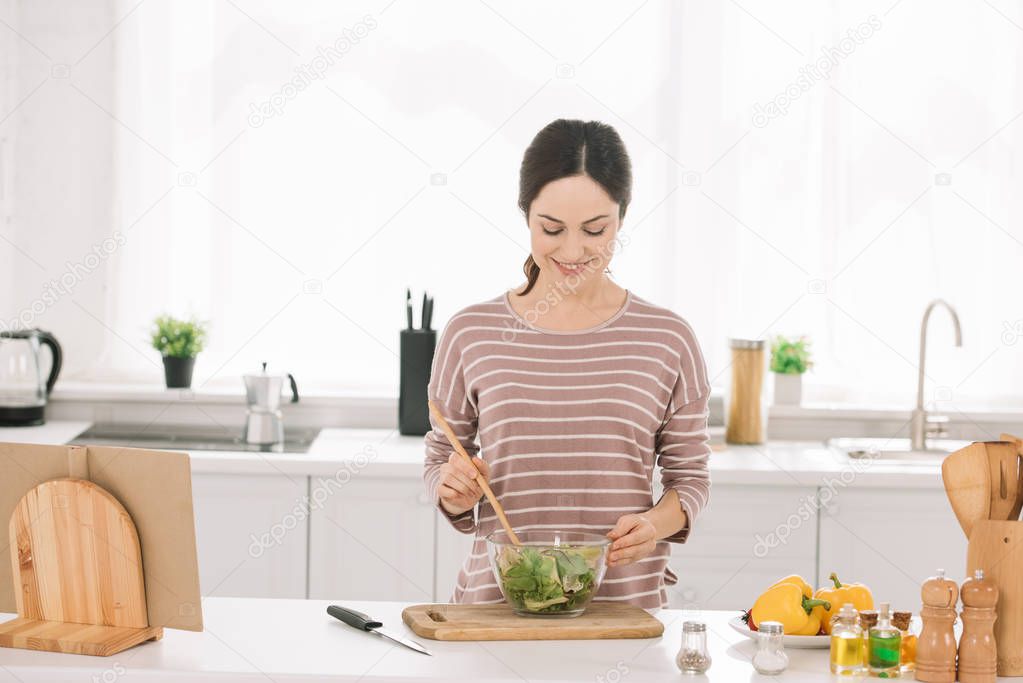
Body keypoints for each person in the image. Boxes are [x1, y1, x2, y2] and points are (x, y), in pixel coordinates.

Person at [423, 118, 711, 609]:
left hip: (624, 614)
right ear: (525, 215)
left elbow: (690, 482)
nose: (574, 251)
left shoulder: (668, 339)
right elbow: (439, 458)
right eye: (551, 229)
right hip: (494, 613)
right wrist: (453, 490)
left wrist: (653, 525)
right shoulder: (471, 332)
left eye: (595, 230)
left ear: (622, 217)